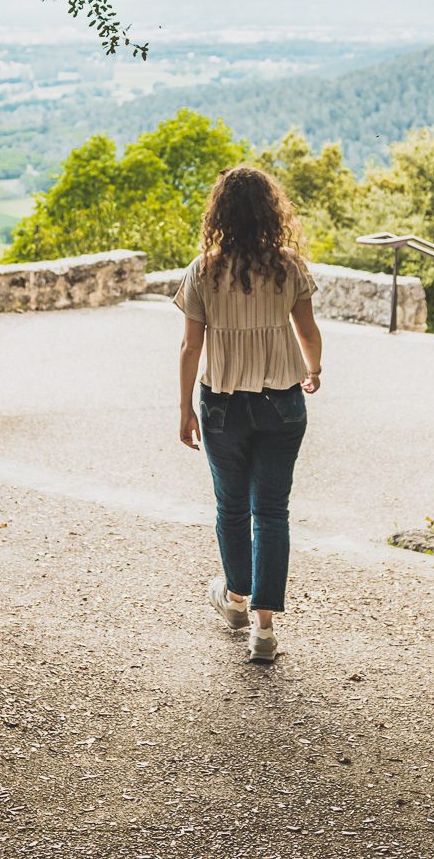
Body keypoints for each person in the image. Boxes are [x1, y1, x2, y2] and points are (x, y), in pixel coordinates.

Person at [174, 165, 322, 662]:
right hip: (282, 401)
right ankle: (263, 628)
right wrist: (314, 369)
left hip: (222, 405)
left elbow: (189, 347)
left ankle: (236, 598)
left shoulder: (204, 270)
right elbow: (308, 331)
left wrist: (184, 409)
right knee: (271, 511)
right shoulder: (289, 267)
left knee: (232, 508)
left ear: (220, 213)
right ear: (271, 212)